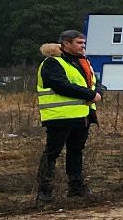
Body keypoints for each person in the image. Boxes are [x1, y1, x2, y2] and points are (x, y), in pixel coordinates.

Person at [36, 28, 101, 201]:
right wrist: (90, 95)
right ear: (66, 43)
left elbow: (94, 83)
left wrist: (96, 92)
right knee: (52, 153)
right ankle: (44, 191)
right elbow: (60, 85)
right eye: (79, 43)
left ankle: (76, 188)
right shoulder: (52, 63)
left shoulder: (82, 62)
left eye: (83, 43)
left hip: (82, 116)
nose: (82, 46)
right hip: (59, 117)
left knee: (76, 152)